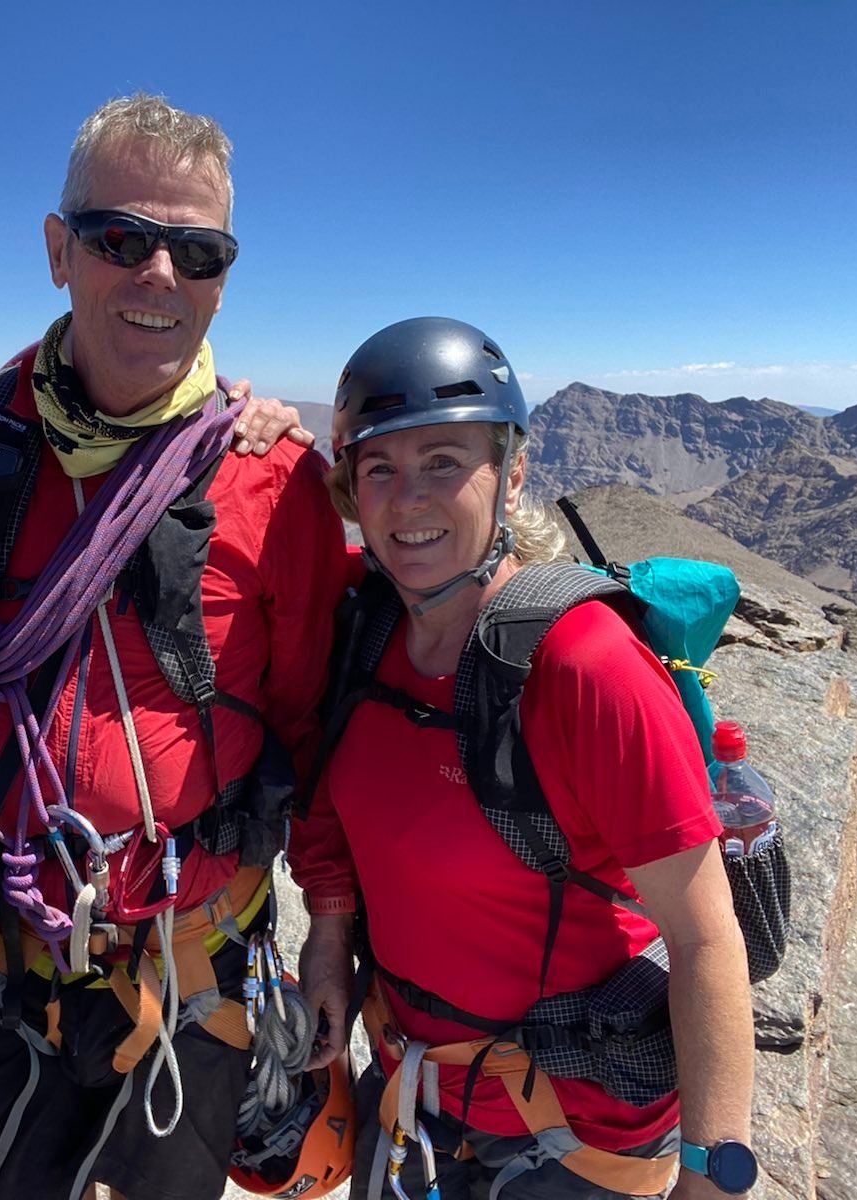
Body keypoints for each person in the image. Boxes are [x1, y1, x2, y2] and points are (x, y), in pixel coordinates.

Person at [0, 93, 349, 1200]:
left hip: (191, 952)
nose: (159, 273)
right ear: (58, 251)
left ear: (223, 277)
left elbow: (308, 727)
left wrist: (334, 927)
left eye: (196, 251)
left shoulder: (272, 480)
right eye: (120, 239)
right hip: (8, 936)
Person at [290, 318, 757, 1199]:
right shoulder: (366, 630)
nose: (409, 499)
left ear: (512, 473)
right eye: (380, 468)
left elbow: (704, 936)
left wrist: (713, 1175)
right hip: (414, 1107)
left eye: (444, 463)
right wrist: (327, 934)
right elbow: (333, 813)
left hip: (573, 1142)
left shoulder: (585, 667)